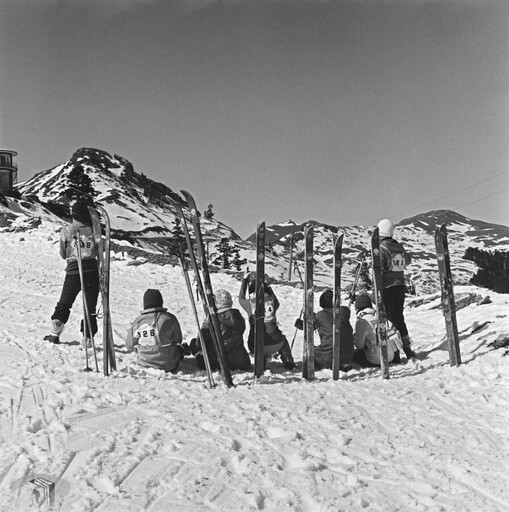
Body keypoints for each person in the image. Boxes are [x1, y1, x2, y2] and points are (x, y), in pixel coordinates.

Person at [44, 200, 100, 346]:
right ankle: (88, 337)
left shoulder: (67, 231)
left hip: (73, 271)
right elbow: (100, 252)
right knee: (90, 306)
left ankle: (55, 332)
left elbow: (63, 253)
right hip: (92, 272)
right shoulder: (94, 231)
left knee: (65, 302)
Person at [238, 272, 296, 370]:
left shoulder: (249, 304)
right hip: (276, 343)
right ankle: (288, 360)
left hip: (256, 346)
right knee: (283, 340)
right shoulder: (273, 302)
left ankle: (261, 360)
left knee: (256, 338)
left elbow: (241, 298)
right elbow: (274, 298)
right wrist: (267, 286)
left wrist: (245, 281)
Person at [377, 218, 416, 358]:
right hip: (400, 286)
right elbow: (408, 260)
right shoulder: (398, 247)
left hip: (387, 287)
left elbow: (379, 269)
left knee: (389, 319)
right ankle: (407, 347)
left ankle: (395, 351)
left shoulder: (381, 248)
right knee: (399, 317)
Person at [190, 289, 251, 372]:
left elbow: (201, 343)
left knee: (194, 343)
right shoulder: (239, 318)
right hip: (240, 360)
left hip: (218, 362)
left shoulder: (213, 320)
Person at [294, 289, 355, 371]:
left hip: (330, 354)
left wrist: (299, 323)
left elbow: (308, 327)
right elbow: (330, 318)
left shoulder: (321, 316)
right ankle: (342, 364)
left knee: (312, 351)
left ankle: (330, 364)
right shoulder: (344, 312)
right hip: (348, 354)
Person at [126, 289, 183, 372]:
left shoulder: (137, 322)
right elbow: (178, 339)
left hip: (144, 364)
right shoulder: (169, 318)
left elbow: (129, 346)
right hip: (169, 365)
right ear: (160, 302)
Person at [352, 294, 405, 367]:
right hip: (390, 357)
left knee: (354, 355)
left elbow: (359, 346)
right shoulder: (382, 317)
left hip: (374, 360)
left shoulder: (362, 322)